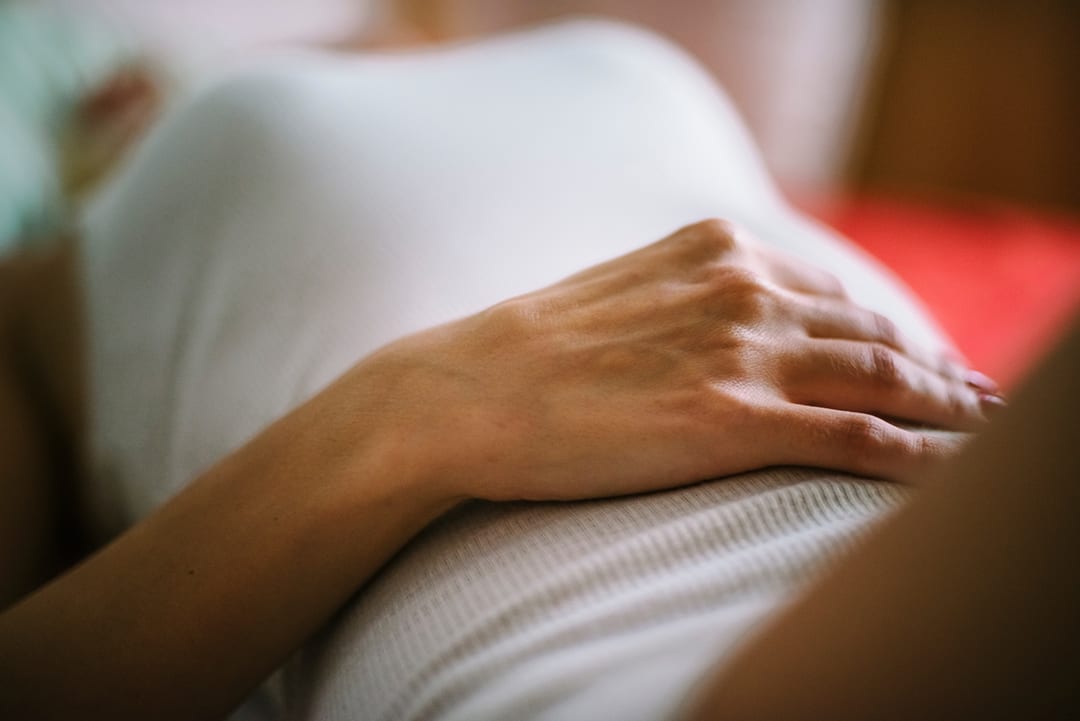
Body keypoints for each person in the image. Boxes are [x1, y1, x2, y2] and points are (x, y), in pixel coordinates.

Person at [0, 18, 1075, 721]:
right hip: (634, 647)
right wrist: (420, 408)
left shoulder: (472, 54)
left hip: (913, 518)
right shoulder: (44, 279)